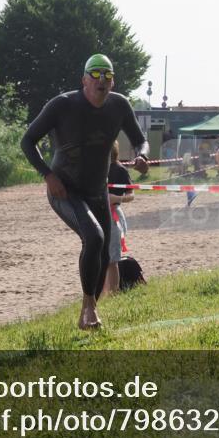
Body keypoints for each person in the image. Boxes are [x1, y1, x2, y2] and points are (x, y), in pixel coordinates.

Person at [20, 54, 149, 330]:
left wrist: (142, 157)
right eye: (96, 75)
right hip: (65, 190)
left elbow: (140, 141)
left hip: (96, 189)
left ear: (112, 82)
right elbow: (27, 141)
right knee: (94, 236)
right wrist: (48, 175)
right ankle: (89, 307)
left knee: (102, 251)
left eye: (107, 76)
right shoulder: (63, 105)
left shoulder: (119, 105)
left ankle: (88, 310)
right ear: (84, 80)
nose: (102, 80)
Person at [102, 142, 135, 297]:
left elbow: (131, 195)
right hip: (95, 215)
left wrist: (115, 197)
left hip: (113, 215)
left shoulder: (120, 170)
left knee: (112, 258)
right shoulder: (93, 167)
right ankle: (101, 292)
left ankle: (113, 293)